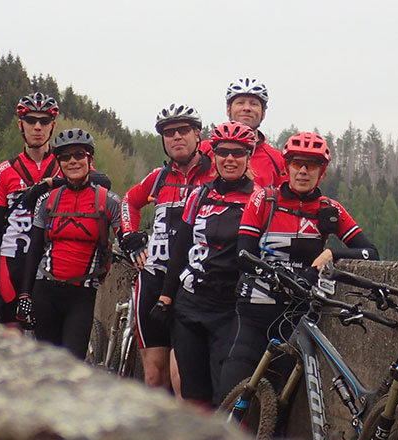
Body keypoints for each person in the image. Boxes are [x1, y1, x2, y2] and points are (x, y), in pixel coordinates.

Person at [219, 131, 379, 402]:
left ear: (322, 172)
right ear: (287, 167)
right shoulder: (264, 200)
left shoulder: (329, 210)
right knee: (231, 389)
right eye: (297, 163)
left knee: (281, 403)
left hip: (296, 315)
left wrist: (332, 253)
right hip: (254, 312)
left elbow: (370, 253)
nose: (303, 171)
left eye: (312, 165)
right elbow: (244, 255)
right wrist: (278, 277)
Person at [155, 121, 257, 407]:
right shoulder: (199, 194)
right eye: (223, 152)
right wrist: (165, 297)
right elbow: (181, 248)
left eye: (238, 153)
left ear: (248, 156)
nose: (230, 159)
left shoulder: (259, 198)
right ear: (214, 155)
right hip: (190, 305)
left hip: (230, 308)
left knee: (226, 394)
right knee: (193, 394)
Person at [120, 104, 216, 390]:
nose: (176, 137)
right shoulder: (158, 178)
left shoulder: (214, 177)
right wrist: (131, 238)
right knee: (154, 376)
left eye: (183, 130)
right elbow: (128, 202)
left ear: (197, 135)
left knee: (183, 377)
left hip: (191, 283)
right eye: (169, 132)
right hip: (153, 280)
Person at [19, 128, 123, 359]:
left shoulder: (109, 201)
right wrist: (24, 295)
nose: (72, 161)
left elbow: (125, 236)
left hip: (82, 294)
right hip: (45, 290)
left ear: (90, 159)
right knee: (47, 364)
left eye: (79, 155)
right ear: (59, 163)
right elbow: (34, 250)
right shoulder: (47, 200)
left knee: (72, 362)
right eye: (65, 157)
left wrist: (136, 245)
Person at [0, 92, 62, 323]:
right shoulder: (4, 171)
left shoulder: (66, 165)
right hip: (12, 260)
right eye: (31, 120)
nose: (37, 127)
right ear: (20, 125)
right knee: (10, 333)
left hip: (50, 263)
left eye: (44, 121)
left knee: (47, 337)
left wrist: (53, 183)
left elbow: (101, 183)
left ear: (52, 126)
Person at [200, 78, 285, 188]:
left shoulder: (278, 160)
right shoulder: (204, 150)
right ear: (228, 110)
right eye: (240, 103)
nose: (246, 108)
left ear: (263, 114)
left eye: (253, 104)